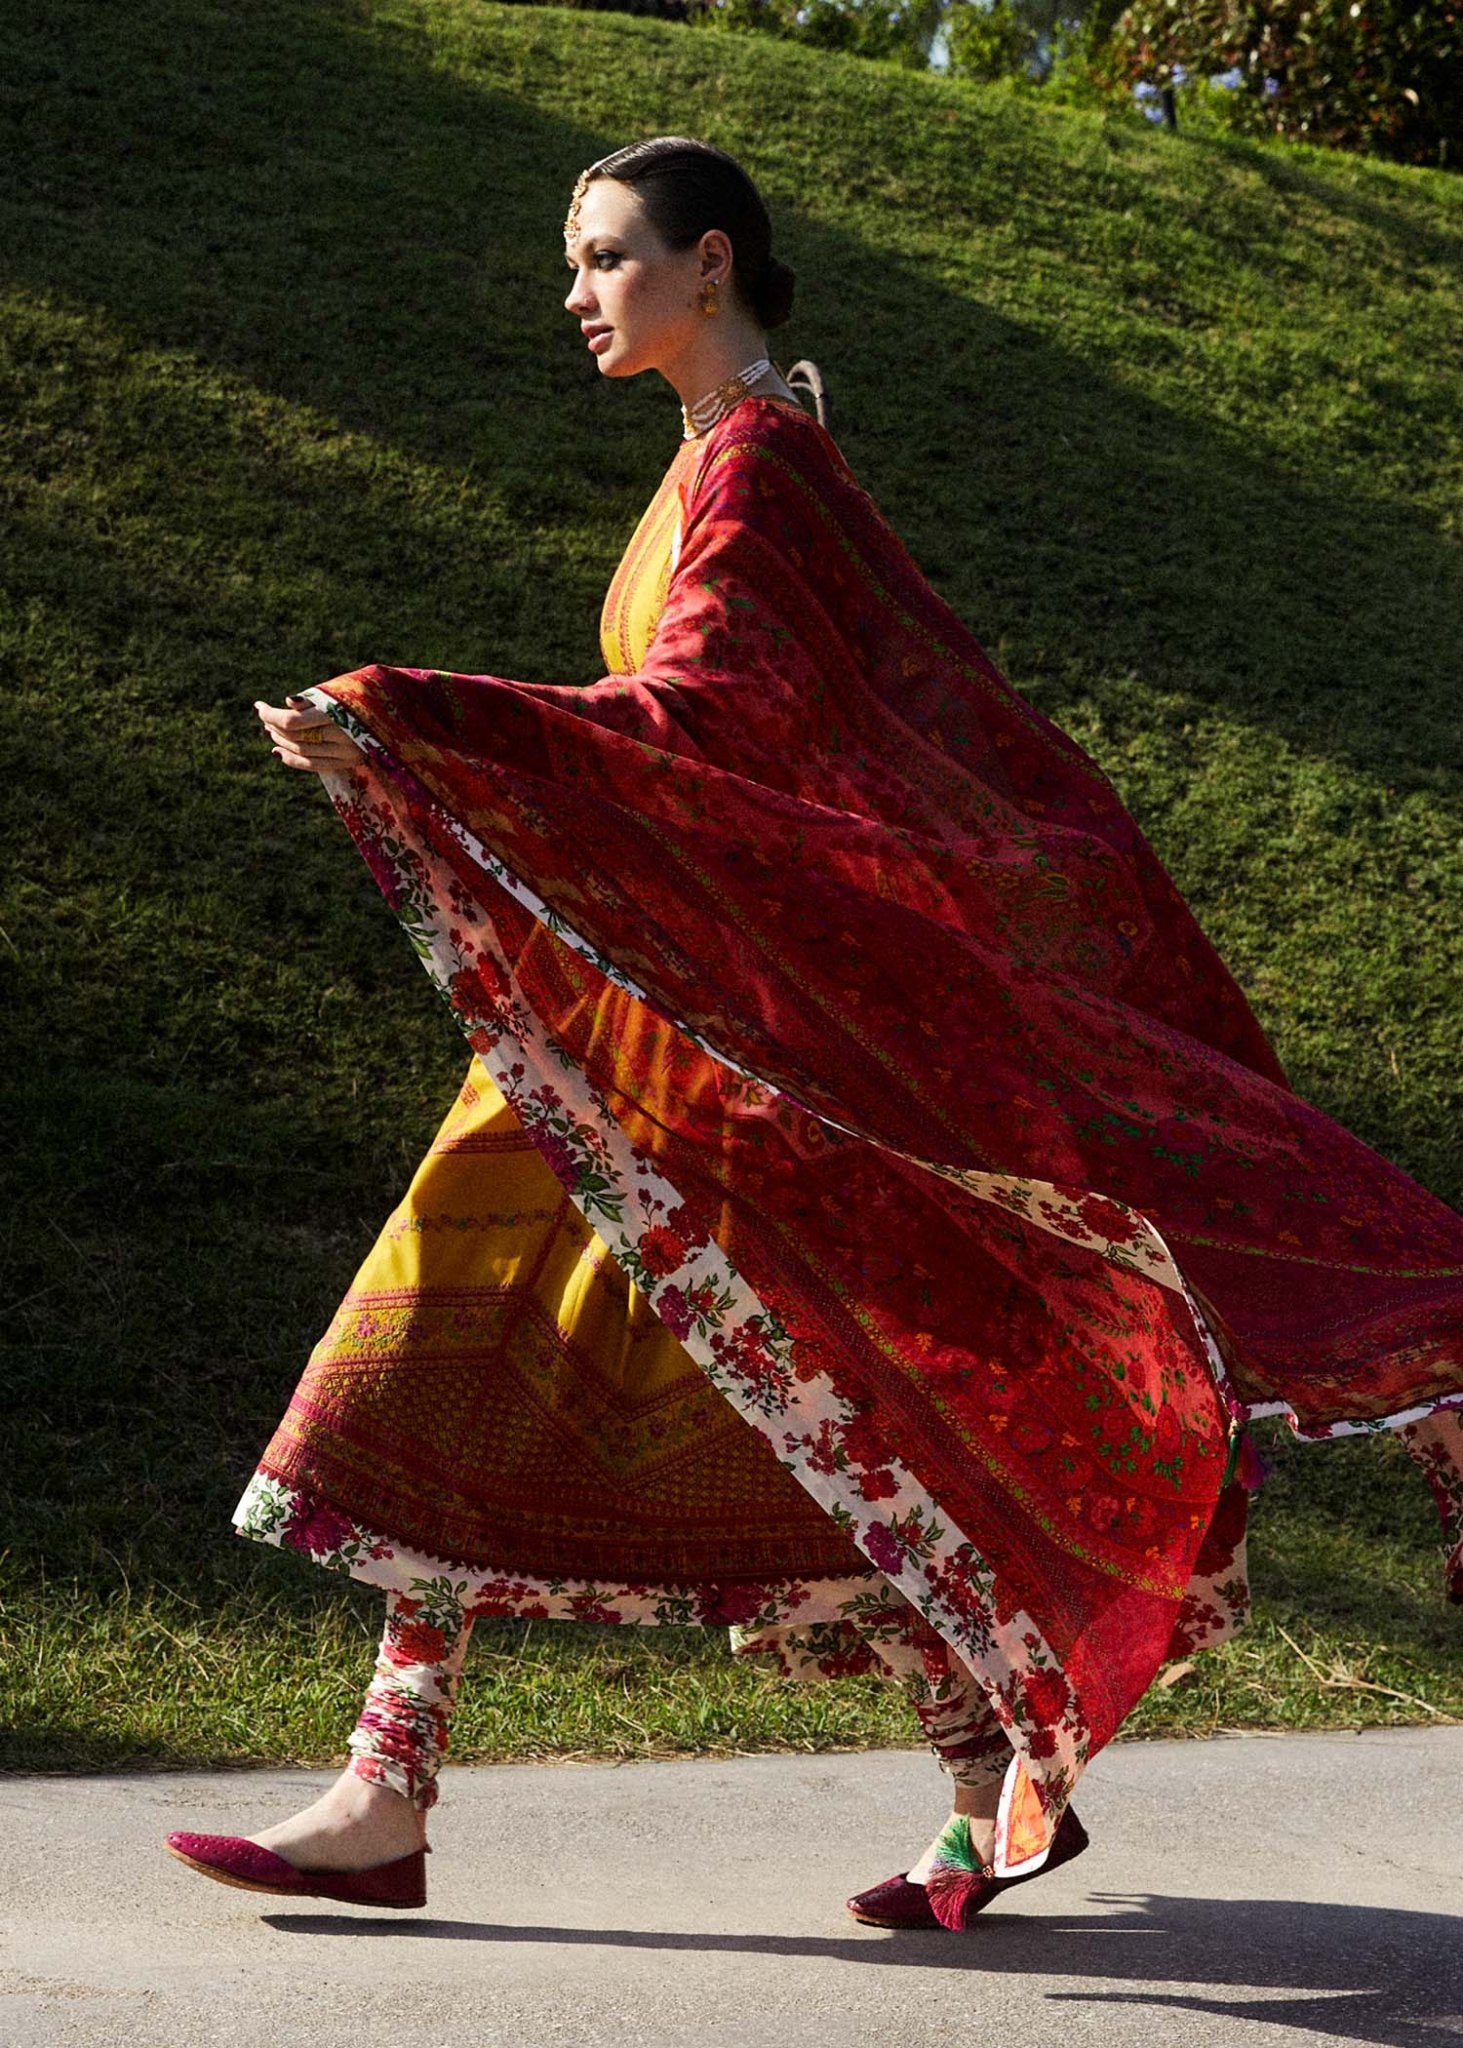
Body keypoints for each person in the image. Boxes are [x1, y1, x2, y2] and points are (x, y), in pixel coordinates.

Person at [165, 136, 1463, 1931]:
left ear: (711, 268)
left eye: (608, 256)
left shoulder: (762, 468)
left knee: (723, 1380)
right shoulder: (725, 459)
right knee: (610, 1369)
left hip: (723, 1034)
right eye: (577, 257)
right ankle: (416, 1788)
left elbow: (706, 714)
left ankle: (907, 1778)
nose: (576, 292)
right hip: (663, 1013)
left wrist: (422, 716)